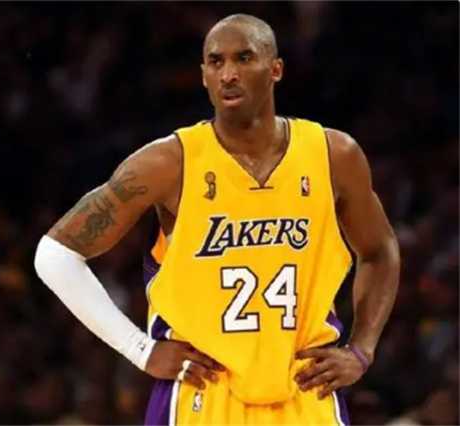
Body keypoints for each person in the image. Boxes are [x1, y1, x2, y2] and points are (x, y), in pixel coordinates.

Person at [34, 13, 400, 425]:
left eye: (244, 58)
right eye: (216, 62)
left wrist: (361, 350)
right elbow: (55, 255)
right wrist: (140, 349)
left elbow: (380, 250)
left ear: (276, 69)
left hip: (305, 390)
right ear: (204, 76)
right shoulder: (168, 163)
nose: (228, 74)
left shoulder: (334, 155)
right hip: (203, 392)